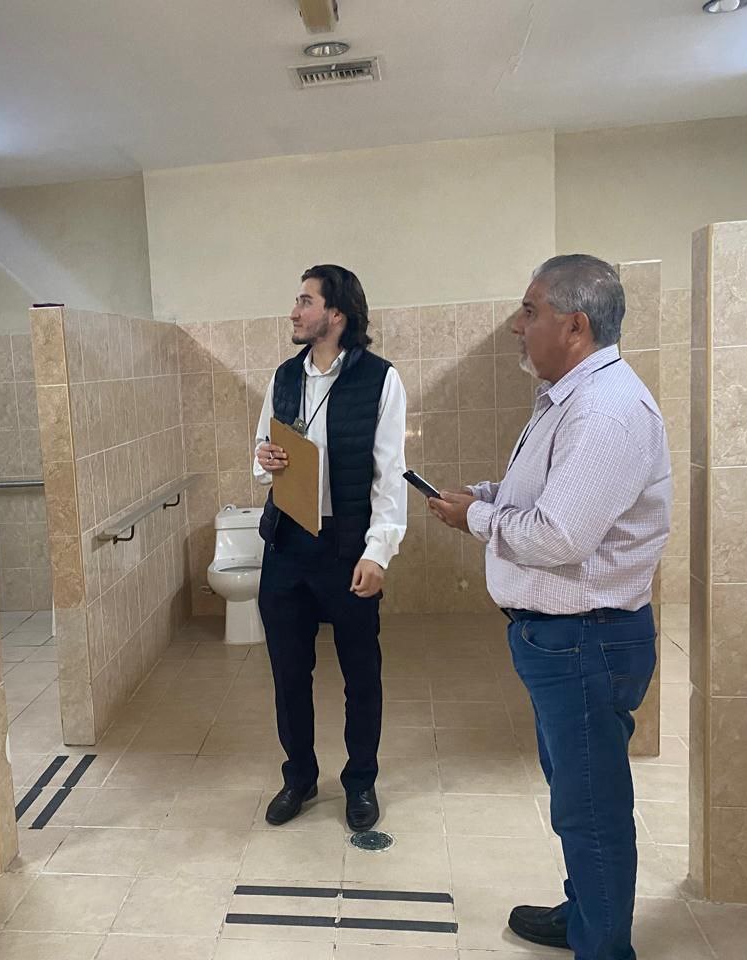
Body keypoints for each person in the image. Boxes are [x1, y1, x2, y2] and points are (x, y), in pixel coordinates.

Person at [428, 254, 671, 960]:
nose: (516, 324)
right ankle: (587, 915)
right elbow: (547, 497)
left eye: (530, 311)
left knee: (590, 808)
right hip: (566, 640)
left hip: (585, 640)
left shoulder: (604, 410)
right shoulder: (569, 398)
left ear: (575, 325)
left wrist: (476, 519)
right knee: (578, 795)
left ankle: (604, 946)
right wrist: (487, 497)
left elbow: (560, 536)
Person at [253, 264, 407, 831]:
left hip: (347, 547)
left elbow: (390, 475)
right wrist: (264, 459)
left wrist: (378, 552)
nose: (294, 312)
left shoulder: (381, 380)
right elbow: (261, 451)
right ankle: (299, 776)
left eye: (305, 301)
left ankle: (360, 781)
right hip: (287, 543)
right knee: (289, 673)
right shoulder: (283, 378)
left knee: (360, 673)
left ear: (336, 314)